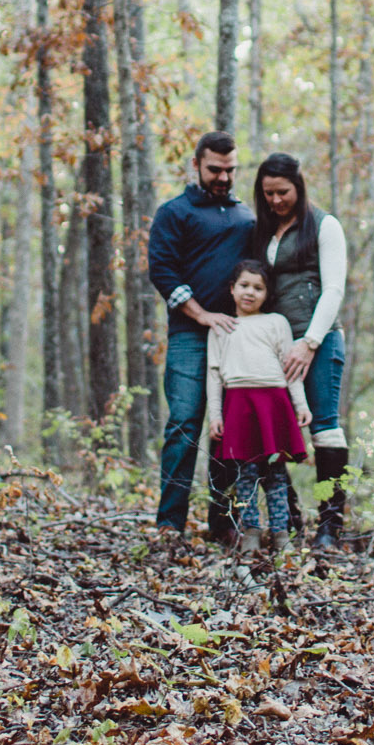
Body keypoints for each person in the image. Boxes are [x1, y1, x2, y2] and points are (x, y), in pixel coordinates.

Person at [144, 131, 256, 538]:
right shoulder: (175, 212)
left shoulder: (246, 216)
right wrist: (201, 314)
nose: (223, 177)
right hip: (191, 336)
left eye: (230, 170)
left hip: (238, 339)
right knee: (185, 424)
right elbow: (162, 270)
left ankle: (222, 525)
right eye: (215, 169)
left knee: (228, 428)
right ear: (196, 165)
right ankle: (169, 525)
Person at [250, 153, 351, 547]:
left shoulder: (325, 226)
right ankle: (287, 516)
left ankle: (330, 524)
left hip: (319, 341)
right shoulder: (262, 231)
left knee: (324, 427)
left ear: (299, 186)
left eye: (283, 192)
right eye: (268, 193)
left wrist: (310, 343)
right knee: (269, 430)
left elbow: (334, 290)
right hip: (269, 343)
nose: (276, 200)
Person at [205, 260, 310, 550]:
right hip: (238, 404)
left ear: (267, 293)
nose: (250, 292)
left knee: (276, 474)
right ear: (232, 288)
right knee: (245, 474)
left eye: (258, 288)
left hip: (274, 403)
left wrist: (300, 404)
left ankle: (280, 533)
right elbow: (213, 375)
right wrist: (215, 415)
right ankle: (250, 532)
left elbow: (291, 368)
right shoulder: (221, 327)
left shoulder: (276, 323)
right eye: (244, 285)